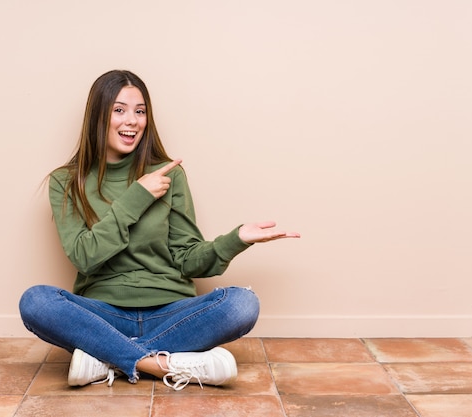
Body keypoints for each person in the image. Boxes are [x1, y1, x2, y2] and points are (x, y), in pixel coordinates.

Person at [19, 70, 300, 390]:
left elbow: (187, 258)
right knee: (36, 301)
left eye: (140, 111)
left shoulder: (169, 175)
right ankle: (163, 364)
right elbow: (85, 256)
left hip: (172, 313)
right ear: (98, 116)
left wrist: (235, 240)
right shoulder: (66, 181)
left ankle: (107, 358)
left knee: (242, 304)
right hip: (104, 315)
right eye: (119, 110)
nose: (133, 121)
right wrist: (136, 197)